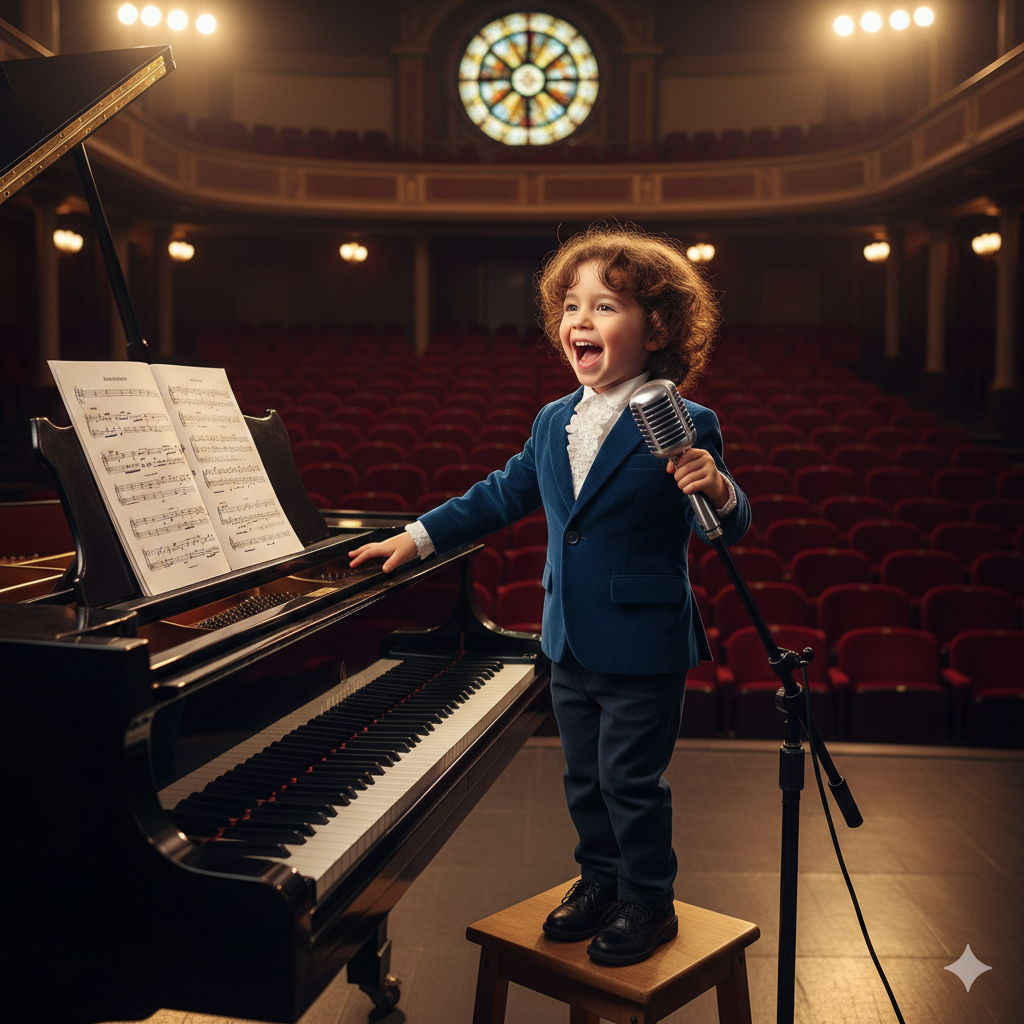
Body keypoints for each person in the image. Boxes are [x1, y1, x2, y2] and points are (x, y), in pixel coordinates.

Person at [349, 223, 750, 965]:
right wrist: (418, 537)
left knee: (630, 779)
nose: (580, 321)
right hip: (566, 634)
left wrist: (717, 486)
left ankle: (647, 899)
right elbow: (501, 493)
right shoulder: (553, 420)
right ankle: (599, 880)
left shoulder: (687, 422)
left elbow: (731, 524)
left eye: (604, 306)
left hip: (643, 639)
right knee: (582, 775)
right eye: (571, 306)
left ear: (656, 327)